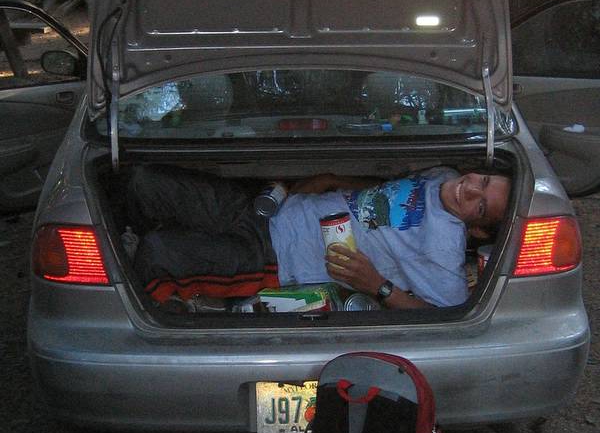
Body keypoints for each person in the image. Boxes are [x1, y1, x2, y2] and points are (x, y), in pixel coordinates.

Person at [131, 165, 510, 309]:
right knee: (144, 180)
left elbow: (447, 317)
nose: (470, 189)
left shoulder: (443, 250)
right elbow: (389, 188)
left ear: (477, 229)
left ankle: (144, 297)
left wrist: (378, 287)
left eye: (480, 206)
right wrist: (334, 179)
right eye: (483, 180)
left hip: (275, 259)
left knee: (158, 252)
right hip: (270, 209)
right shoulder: (444, 175)